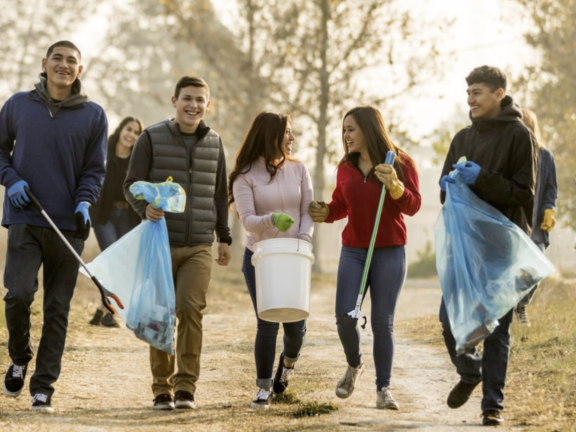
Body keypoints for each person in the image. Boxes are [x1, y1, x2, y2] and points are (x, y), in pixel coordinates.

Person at [0, 41, 107, 413]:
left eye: (72, 61)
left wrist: (84, 201)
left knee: (57, 308)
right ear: (44, 64)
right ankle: (19, 355)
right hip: (25, 219)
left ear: (81, 70)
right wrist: (10, 178)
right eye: (57, 59)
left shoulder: (93, 115)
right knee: (17, 295)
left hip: (69, 226)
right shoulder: (16, 105)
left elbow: (95, 169)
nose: (64, 65)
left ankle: (43, 386)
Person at [124, 76, 231, 411]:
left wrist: (223, 237)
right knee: (160, 314)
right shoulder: (151, 138)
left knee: (189, 309)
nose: (193, 105)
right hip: (159, 242)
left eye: (200, 100)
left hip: (199, 244)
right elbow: (131, 185)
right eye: (187, 98)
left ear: (207, 105)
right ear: (174, 101)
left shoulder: (215, 142)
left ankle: (185, 387)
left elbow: (219, 194)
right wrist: (145, 208)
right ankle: (161, 389)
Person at [438, 66, 537, 426]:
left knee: (497, 327)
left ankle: (492, 405)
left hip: (503, 247)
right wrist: (447, 184)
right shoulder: (462, 138)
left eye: (477, 92)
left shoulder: (519, 136)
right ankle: (469, 372)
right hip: (465, 246)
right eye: (468, 93)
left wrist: (484, 178)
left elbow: (524, 193)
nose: (470, 99)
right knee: (449, 320)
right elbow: (443, 192)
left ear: (499, 94)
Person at [309, 106, 421, 410]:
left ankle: (383, 389)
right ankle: (354, 364)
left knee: (383, 323)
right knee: (345, 317)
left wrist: (396, 187)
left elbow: (413, 206)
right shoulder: (345, 167)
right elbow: (340, 206)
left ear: (370, 129)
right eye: (344, 129)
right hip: (354, 250)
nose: (345, 136)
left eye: (351, 129)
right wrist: (325, 213)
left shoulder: (400, 161)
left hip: (390, 250)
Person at [228, 112, 314, 409]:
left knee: (296, 326)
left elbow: (307, 211)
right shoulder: (244, 176)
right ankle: (263, 388)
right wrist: (271, 220)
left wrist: (303, 239)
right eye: (287, 132)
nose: (292, 138)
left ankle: (288, 365)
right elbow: (248, 221)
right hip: (261, 258)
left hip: (295, 256)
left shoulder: (299, 169)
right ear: (270, 135)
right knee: (267, 322)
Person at [88, 116, 144, 328]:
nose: (131, 135)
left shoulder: (137, 160)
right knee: (113, 262)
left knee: (122, 265)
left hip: (128, 218)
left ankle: (103, 310)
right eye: (128, 129)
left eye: (136, 132)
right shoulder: (104, 153)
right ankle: (110, 312)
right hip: (105, 217)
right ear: (121, 130)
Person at [514, 108, 557, 326]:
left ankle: (520, 304)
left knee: (535, 270)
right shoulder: (511, 153)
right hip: (514, 222)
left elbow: (550, 189)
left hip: (536, 226)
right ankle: (505, 311)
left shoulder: (545, 156)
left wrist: (550, 207)